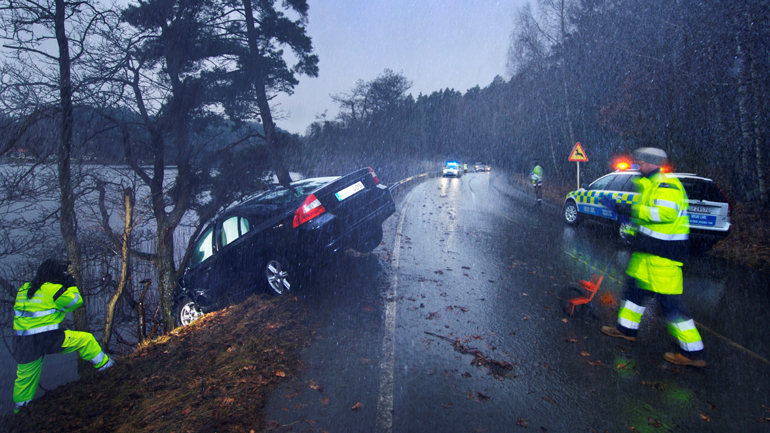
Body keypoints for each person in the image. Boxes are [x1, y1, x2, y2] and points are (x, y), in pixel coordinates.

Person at [600, 147, 705, 367]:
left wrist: (630, 211)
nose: (638, 165)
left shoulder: (667, 185)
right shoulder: (649, 185)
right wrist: (629, 223)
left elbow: (664, 213)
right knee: (633, 293)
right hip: (646, 255)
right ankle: (626, 330)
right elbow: (645, 217)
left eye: (641, 162)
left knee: (672, 306)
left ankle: (693, 353)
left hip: (663, 258)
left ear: (652, 164)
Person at [12, 259, 114, 413]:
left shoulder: (24, 289)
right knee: (85, 340)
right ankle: (108, 368)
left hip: (23, 342)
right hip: (47, 338)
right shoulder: (53, 290)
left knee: (25, 380)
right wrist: (71, 285)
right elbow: (75, 302)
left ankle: (19, 412)